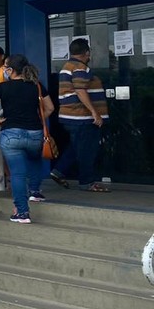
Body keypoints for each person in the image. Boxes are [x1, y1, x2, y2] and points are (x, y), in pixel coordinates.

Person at [0, 54, 55, 223]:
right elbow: (49, 108)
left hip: (11, 134)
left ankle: (22, 212)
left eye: (5, 67)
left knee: (17, 174)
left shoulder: (3, 87)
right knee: (35, 160)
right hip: (34, 133)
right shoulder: (36, 86)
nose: (3, 70)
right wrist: (39, 119)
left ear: (11, 70)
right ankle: (35, 191)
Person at [51, 37, 110, 193]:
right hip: (81, 118)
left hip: (72, 118)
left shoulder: (67, 66)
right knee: (87, 151)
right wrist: (95, 113)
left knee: (77, 147)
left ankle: (58, 171)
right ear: (86, 53)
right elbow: (80, 90)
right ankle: (87, 182)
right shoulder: (79, 68)